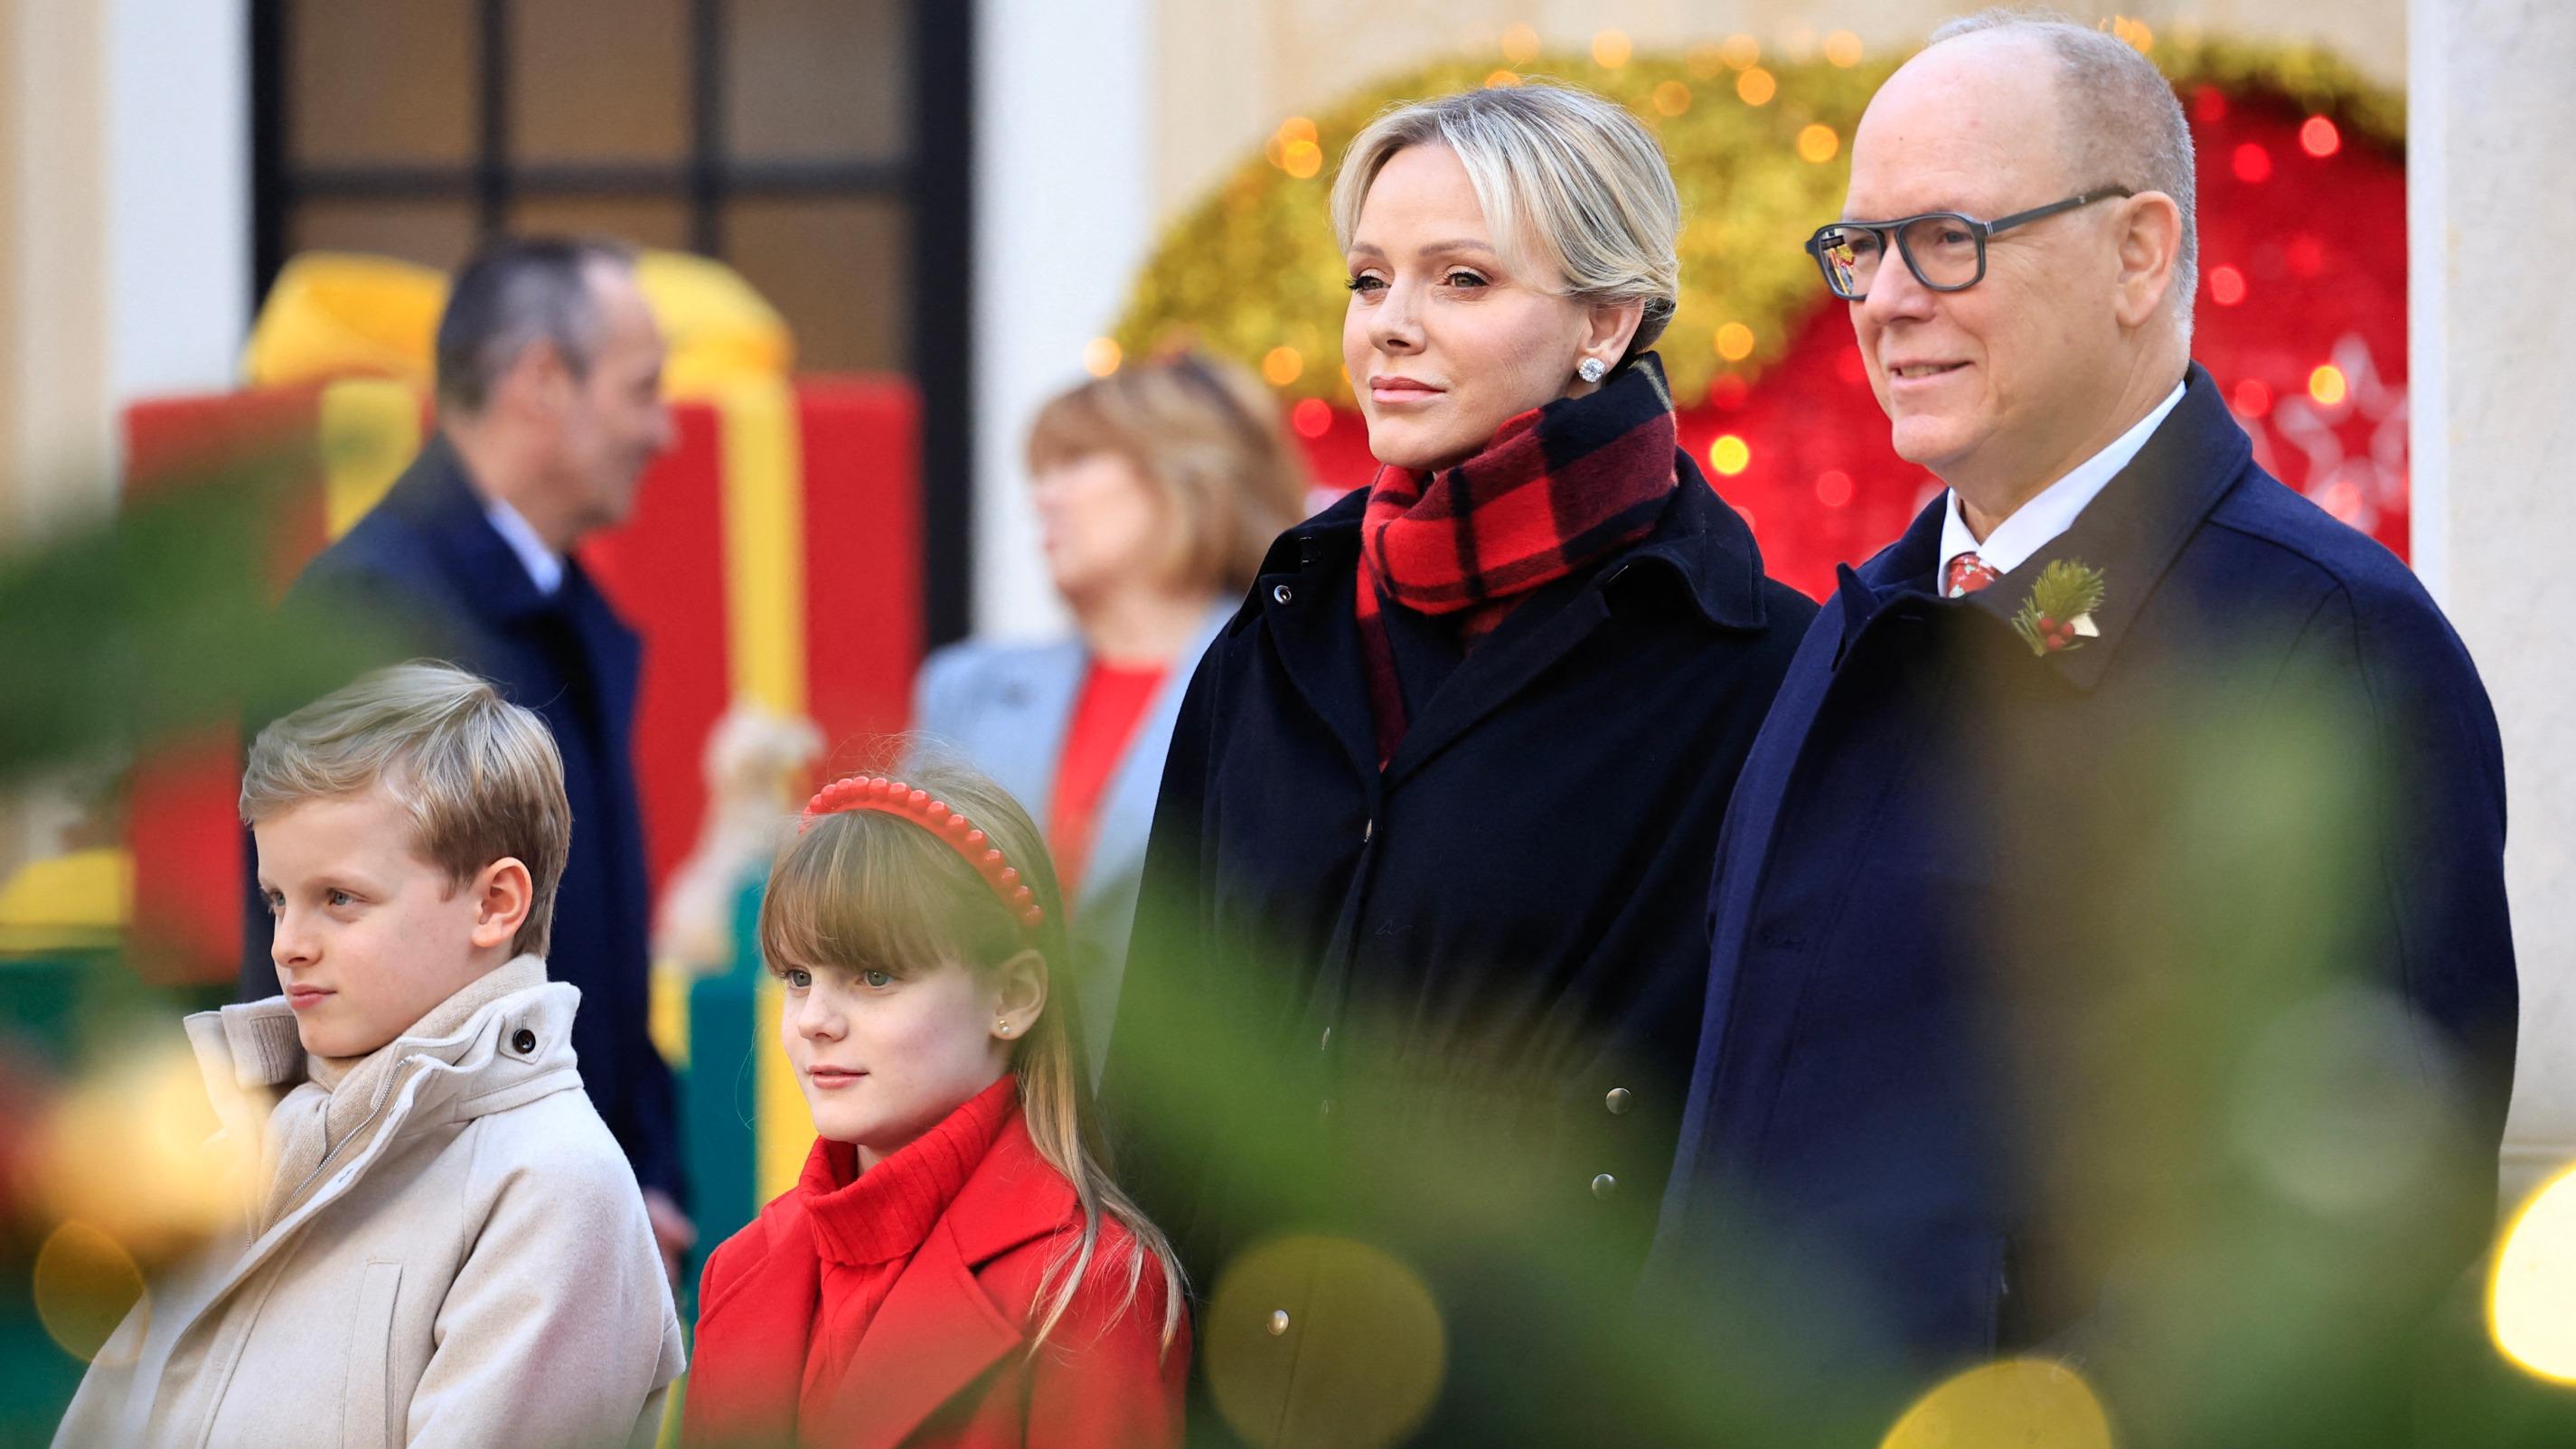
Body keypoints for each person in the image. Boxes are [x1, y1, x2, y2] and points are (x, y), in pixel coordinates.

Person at [1646, 14, 2518, 1442]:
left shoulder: (2322, 643)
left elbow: (2363, 1231)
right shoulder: (1860, 624)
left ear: (2139, 251)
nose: (1881, 300)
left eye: (1945, 238)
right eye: (1859, 246)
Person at [1101, 83, 1815, 1444]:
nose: (1390, 324)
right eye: (1370, 278)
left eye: (1461, 279)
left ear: (1605, 322)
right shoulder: (1280, 633)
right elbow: (1163, 1059)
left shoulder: (1757, 670)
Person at [58, 663, 684, 1448]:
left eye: (340, 899)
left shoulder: (555, 1187)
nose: (288, 945)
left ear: (495, 903)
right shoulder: (237, 1150)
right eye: (277, 899)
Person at [244, 236, 693, 1277]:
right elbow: (319, 963)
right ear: (543, 379)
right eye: (642, 390)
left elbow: (592, 944)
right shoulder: (366, 614)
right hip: (452, 1254)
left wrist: (638, 1169)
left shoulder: (558, 606)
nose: (665, 430)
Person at [682, 763, 1188, 1449]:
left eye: (876, 975)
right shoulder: (740, 1269)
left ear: (1011, 998)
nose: (814, 1020)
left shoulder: (1086, 1289)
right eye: (799, 976)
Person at [912, 354, 1309, 1078]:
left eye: (1077, 463)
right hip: (986, 1127)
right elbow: (897, 920)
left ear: (1188, 477)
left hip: (1191, 1137)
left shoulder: (1290, 681)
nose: (1043, 497)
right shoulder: (964, 688)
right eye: (1041, 471)